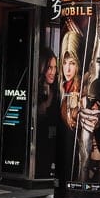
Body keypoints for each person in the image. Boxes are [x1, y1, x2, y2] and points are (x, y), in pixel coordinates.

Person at [36, 46, 59, 178]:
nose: (53, 72)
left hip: (51, 142)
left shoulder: (56, 91)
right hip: (38, 143)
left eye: (55, 68)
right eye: (49, 67)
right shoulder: (36, 90)